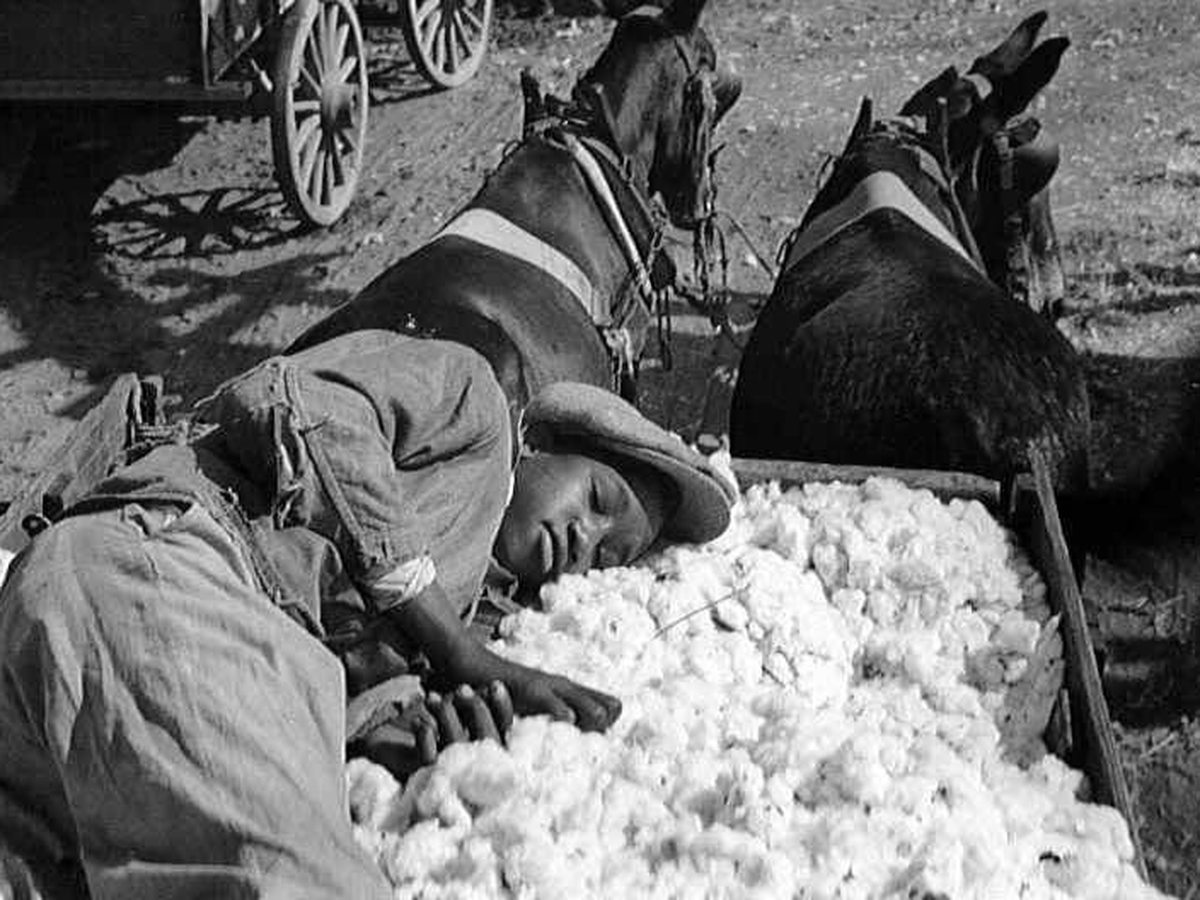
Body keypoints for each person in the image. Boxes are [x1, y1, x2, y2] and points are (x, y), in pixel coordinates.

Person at [0, 328, 734, 900]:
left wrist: (390, 728)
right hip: (161, 563)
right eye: (599, 500)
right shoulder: (474, 404)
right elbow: (296, 402)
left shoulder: (474, 598)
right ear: (544, 445)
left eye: (608, 554)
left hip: (169, 664)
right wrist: (452, 646)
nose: (585, 538)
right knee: (297, 879)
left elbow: (317, 653)